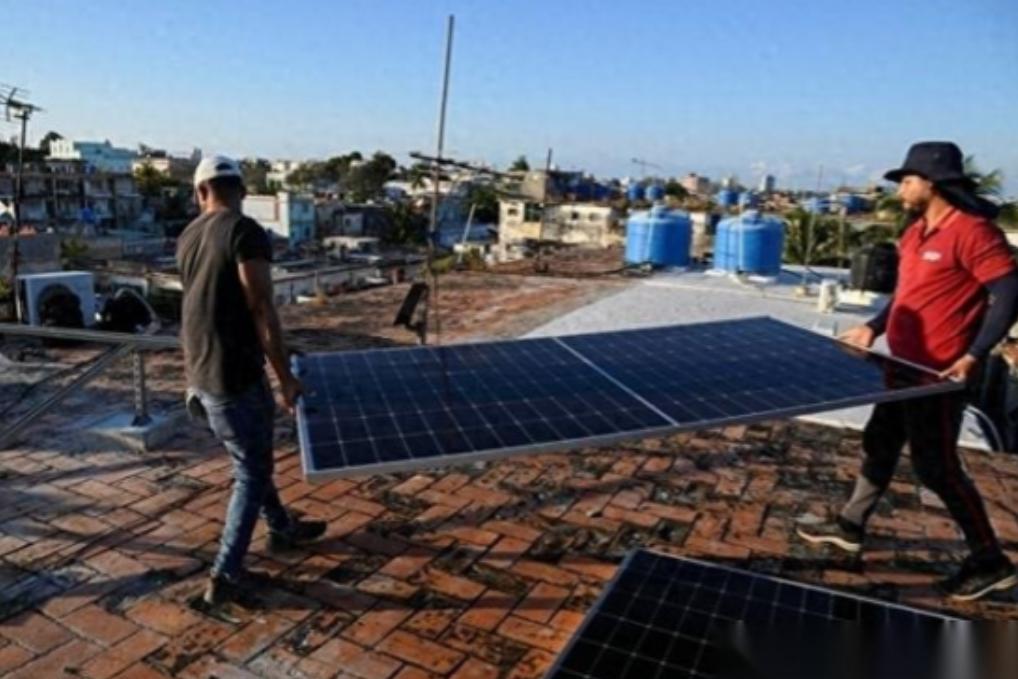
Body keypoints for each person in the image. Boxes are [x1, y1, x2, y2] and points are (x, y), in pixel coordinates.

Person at [797, 141, 1018, 602]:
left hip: (937, 375)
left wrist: (976, 352)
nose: (900, 190)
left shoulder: (972, 232)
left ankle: (990, 561)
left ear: (932, 184)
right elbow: (907, 295)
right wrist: (874, 327)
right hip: (900, 366)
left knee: (937, 468)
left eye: (908, 181)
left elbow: (1009, 291)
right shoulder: (916, 232)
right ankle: (850, 526)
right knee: (879, 442)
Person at [177, 156, 326, 606]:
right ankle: (226, 574)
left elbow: (208, 304)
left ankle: (281, 528)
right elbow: (261, 306)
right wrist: (285, 379)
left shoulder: (188, 235)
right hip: (232, 376)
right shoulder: (244, 231)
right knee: (251, 471)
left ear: (201, 192)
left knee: (252, 460)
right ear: (241, 191)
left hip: (200, 375)